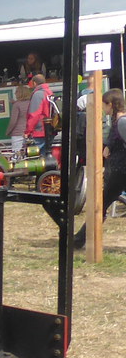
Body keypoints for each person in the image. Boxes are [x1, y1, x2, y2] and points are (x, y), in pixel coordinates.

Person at [73, 88, 126, 248]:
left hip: (121, 171)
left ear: (111, 104)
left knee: (100, 205)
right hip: (118, 171)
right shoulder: (118, 121)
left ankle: (78, 240)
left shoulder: (122, 121)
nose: (103, 108)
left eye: (104, 105)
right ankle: (79, 239)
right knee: (101, 204)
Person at [25, 73, 56, 156]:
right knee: (47, 155)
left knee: (35, 157)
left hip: (39, 131)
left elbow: (34, 114)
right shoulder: (49, 92)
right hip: (49, 129)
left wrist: (28, 131)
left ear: (35, 83)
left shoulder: (38, 94)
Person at [7, 84, 32, 155]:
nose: (15, 94)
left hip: (18, 133)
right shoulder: (31, 103)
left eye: (16, 92)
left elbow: (13, 121)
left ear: (20, 93)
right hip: (29, 132)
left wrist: (8, 132)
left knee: (17, 155)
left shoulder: (17, 105)